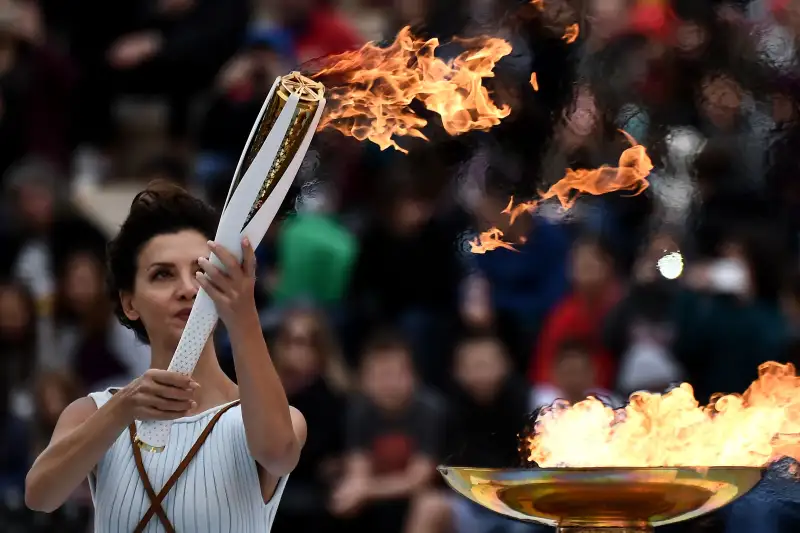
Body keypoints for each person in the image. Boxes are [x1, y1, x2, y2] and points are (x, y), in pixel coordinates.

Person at [24, 182, 307, 532]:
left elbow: (279, 452)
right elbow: (40, 495)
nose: (188, 289)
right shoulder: (94, 412)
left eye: (201, 271)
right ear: (130, 303)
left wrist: (244, 314)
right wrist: (124, 407)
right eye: (163, 274)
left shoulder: (270, 417)